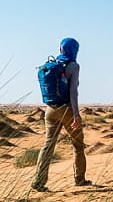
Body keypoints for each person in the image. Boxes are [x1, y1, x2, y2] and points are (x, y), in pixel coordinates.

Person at [32, 37, 91, 191]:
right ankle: (80, 179)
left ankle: (38, 181)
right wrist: (76, 115)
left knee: (48, 146)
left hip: (50, 110)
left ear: (61, 49)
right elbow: (73, 92)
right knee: (78, 145)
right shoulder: (73, 66)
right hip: (67, 109)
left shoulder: (52, 65)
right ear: (75, 50)